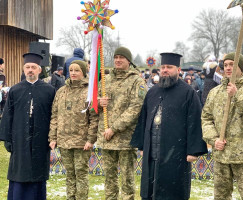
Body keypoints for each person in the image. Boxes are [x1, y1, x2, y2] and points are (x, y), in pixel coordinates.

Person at [131, 52, 208, 200]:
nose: (165, 70)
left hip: (176, 154)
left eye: (170, 67)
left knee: (172, 192)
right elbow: (144, 119)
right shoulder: (152, 92)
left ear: (178, 70)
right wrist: (142, 146)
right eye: (163, 67)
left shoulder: (188, 93)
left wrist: (193, 150)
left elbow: (195, 122)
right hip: (152, 151)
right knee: (150, 192)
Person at [201, 52, 243, 200]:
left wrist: (238, 96)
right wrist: (213, 139)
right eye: (226, 65)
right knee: (221, 196)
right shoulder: (215, 92)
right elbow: (206, 118)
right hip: (221, 155)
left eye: (232, 64)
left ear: (241, 67)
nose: (228, 68)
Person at [0, 53, 55, 200]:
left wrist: (52, 137)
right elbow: (7, 115)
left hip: (41, 139)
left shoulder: (49, 90)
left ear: (39, 70)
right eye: (27, 67)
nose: (30, 70)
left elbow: (54, 116)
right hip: (19, 139)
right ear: (24, 69)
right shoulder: (15, 90)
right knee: (19, 171)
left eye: (33, 67)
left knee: (37, 173)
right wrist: (7, 138)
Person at [97, 47, 147, 200]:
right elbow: (93, 106)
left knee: (127, 179)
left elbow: (136, 108)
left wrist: (114, 128)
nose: (118, 60)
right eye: (116, 57)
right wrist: (99, 103)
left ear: (128, 61)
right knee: (109, 179)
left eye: (122, 58)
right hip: (106, 138)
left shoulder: (137, 81)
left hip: (125, 139)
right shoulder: (105, 80)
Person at [49, 60, 98, 200]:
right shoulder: (61, 91)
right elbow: (54, 116)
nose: (73, 73)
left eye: (77, 70)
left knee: (81, 174)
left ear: (83, 72)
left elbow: (94, 118)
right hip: (64, 140)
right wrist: (53, 137)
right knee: (70, 174)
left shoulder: (89, 92)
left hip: (81, 142)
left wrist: (90, 139)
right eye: (71, 70)